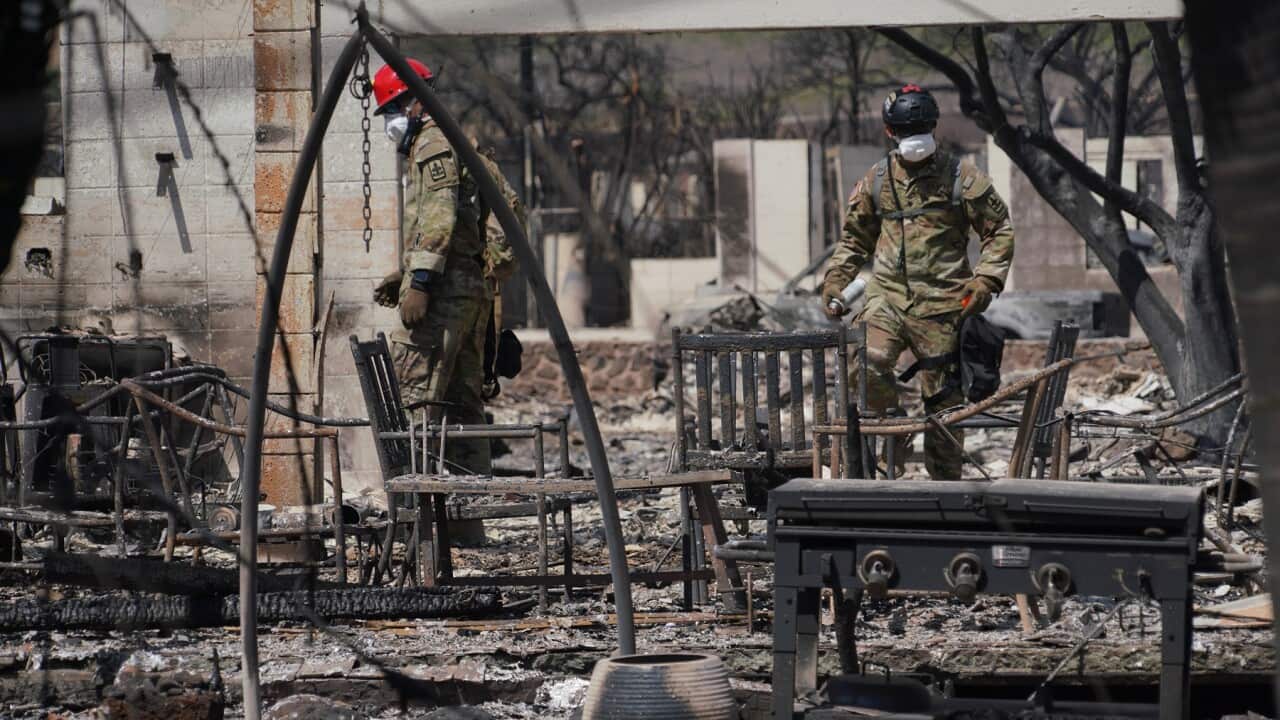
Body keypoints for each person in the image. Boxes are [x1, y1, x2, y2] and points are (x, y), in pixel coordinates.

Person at [821, 84, 1014, 479]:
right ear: (890, 132)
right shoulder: (877, 180)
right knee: (865, 361)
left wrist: (986, 280)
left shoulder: (962, 177)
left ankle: (946, 493)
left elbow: (999, 231)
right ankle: (896, 429)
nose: (914, 137)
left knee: (945, 409)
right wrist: (837, 279)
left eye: (921, 127)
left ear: (934, 127)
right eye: (906, 130)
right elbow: (855, 239)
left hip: (945, 304)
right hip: (887, 299)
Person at [368, 59, 492, 475]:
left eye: (391, 109)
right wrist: (406, 273)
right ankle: (471, 504)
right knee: (461, 404)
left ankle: (415, 505)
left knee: (413, 397)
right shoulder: (450, 137)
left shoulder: (432, 143)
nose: (390, 121)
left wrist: (420, 281)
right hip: (465, 288)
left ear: (413, 101)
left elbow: (439, 217)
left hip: (444, 293)